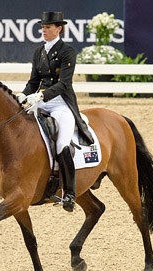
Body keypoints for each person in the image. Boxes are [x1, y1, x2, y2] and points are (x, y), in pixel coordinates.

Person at [17, 11, 94, 212]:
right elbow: (33, 81)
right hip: (40, 102)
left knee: (62, 144)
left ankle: (69, 193)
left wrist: (42, 95)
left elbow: (64, 83)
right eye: (43, 27)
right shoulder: (38, 52)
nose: (44, 30)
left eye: (48, 27)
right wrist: (22, 95)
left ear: (58, 28)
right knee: (19, 131)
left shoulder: (67, 51)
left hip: (61, 104)